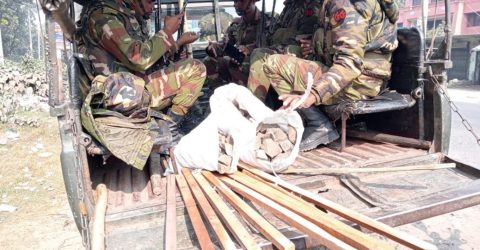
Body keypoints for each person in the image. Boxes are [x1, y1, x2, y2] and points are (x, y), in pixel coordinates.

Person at [248, 0, 399, 151]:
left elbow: (349, 64)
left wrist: (312, 94)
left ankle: (318, 125)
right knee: (282, 52)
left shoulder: (346, 4)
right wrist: (314, 48)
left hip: (358, 84)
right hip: (365, 78)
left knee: (272, 63)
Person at [77, 0, 206, 126]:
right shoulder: (103, 16)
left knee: (182, 72)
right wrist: (167, 31)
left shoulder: (123, 15)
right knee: (196, 69)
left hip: (129, 85)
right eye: (150, 2)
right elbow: (139, 59)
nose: (153, 7)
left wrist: (178, 43)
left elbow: (148, 57)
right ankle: (170, 127)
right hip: (122, 93)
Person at [247, 0, 322, 105]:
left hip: (301, 50)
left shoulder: (311, 5)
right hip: (286, 47)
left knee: (260, 55)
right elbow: (273, 34)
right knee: (253, 55)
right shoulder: (289, 7)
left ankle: (253, 109)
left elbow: (304, 38)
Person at [203, 0, 273, 87]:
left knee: (236, 63)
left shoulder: (269, 20)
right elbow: (226, 45)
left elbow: (274, 47)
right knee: (209, 61)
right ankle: (221, 95)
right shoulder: (236, 24)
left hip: (260, 62)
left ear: (252, 1)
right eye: (235, 1)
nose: (235, 5)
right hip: (238, 59)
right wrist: (214, 47)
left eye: (240, 1)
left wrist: (249, 49)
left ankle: (244, 97)